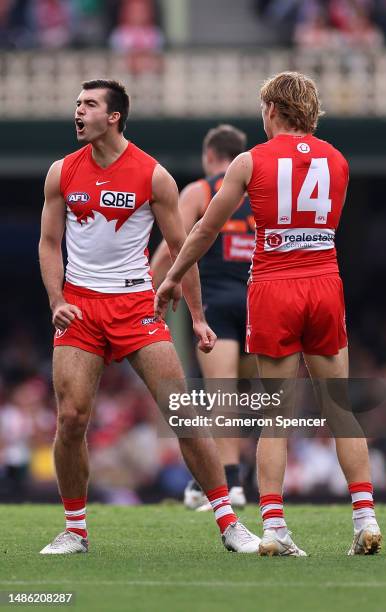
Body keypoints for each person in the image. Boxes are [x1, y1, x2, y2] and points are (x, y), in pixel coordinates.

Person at [155, 71, 382, 557]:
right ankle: (365, 518)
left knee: (275, 414)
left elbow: (205, 229)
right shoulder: (338, 161)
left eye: (264, 109)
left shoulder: (250, 160)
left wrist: (173, 276)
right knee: (338, 408)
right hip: (324, 282)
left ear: (274, 109)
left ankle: (275, 527)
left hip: (274, 287)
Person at [38, 79, 260, 555]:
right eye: (77, 103)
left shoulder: (153, 176)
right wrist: (56, 299)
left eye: (89, 105)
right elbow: (49, 243)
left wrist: (198, 318)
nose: (78, 111)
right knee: (72, 418)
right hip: (80, 306)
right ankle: (75, 530)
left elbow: (185, 250)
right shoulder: (61, 172)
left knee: (182, 412)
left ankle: (228, 521)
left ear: (114, 116)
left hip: (136, 306)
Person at [151, 124, 256, 511]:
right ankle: (223, 482)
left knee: (221, 396)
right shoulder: (257, 192)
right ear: (240, 156)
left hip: (216, 304)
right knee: (251, 396)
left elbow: (173, 245)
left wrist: (150, 285)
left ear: (210, 156)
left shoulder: (201, 191)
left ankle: (228, 483)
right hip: (258, 304)